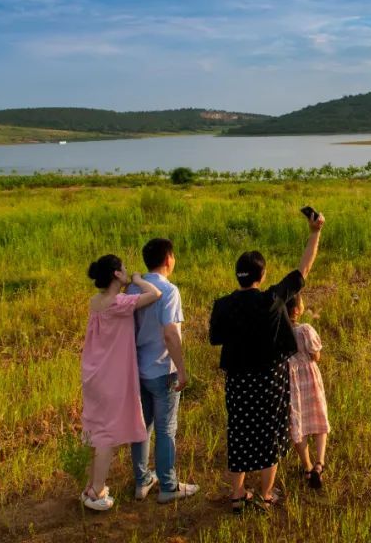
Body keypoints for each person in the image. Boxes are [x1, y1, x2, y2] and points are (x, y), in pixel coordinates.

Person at [209, 211, 325, 514]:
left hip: (237, 381)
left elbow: (217, 336)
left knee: (239, 434)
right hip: (270, 380)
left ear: (238, 275)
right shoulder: (272, 299)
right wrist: (315, 233)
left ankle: (237, 495)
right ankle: (266, 493)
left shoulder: (223, 305)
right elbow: (303, 271)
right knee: (270, 435)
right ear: (262, 276)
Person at [81, 255, 162, 511]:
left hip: (94, 374)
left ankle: (93, 486)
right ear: (116, 274)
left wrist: (127, 284)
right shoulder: (120, 303)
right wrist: (138, 279)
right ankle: (96, 492)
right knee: (106, 436)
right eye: (124, 269)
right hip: (111, 378)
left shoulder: (97, 302)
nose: (128, 272)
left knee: (96, 431)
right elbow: (156, 293)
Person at [126, 238, 198, 503]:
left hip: (138, 368)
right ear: (169, 259)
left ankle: (142, 480)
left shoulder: (134, 287)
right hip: (162, 369)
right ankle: (168, 486)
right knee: (166, 429)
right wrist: (181, 369)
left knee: (142, 427)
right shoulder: (169, 291)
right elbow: (170, 333)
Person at [286, 293, 331, 489]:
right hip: (310, 379)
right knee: (319, 419)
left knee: (298, 423)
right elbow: (316, 355)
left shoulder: (279, 331)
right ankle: (319, 465)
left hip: (291, 381)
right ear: (297, 310)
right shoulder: (305, 330)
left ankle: (307, 467)